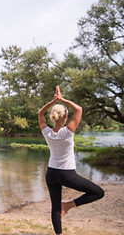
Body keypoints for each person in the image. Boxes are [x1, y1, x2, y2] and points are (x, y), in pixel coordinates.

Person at [38, 86, 104, 235]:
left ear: (52, 117)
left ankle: (59, 232)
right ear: (66, 117)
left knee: (55, 207)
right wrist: (62, 100)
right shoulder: (68, 132)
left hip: (51, 174)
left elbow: (40, 113)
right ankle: (68, 205)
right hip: (67, 174)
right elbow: (79, 109)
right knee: (98, 193)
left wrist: (52, 102)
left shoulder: (47, 132)